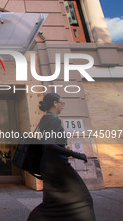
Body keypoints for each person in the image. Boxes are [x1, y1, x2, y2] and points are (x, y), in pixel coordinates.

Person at [27, 93, 96, 221]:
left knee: (52, 202)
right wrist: (76, 154)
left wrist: (66, 150)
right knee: (83, 199)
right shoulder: (53, 120)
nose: (61, 106)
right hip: (57, 166)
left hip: (49, 165)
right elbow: (50, 145)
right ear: (55, 103)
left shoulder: (45, 119)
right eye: (61, 103)